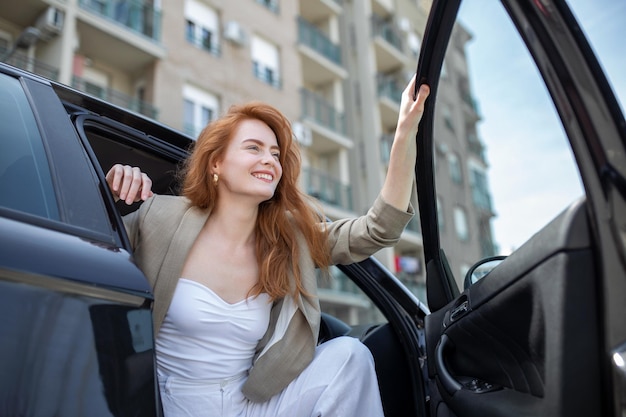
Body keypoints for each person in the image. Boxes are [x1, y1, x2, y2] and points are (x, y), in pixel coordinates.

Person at [106, 77, 430, 416]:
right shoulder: (161, 216)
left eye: (275, 154)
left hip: (250, 405)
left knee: (351, 354)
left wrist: (404, 132)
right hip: (171, 402)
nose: (270, 161)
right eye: (254, 148)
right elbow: (84, 239)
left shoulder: (288, 239)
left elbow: (378, 229)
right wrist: (110, 189)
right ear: (216, 163)